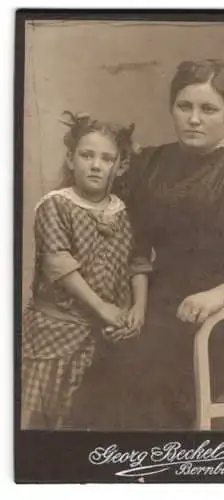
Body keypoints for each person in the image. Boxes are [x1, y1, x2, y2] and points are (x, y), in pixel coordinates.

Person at [72, 58, 224, 430]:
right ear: (172, 108)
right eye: (184, 106)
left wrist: (219, 295)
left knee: (149, 381)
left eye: (208, 109)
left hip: (223, 324)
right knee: (95, 378)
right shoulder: (148, 164)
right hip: (152, 309)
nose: (194, 119)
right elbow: (129, 241)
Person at [21, 112, 151, 430]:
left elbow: (137, 260)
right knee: (43, 419)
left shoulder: (122, 210)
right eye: (86, 155)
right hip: (58, 330)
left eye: (106, 159)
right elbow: (58, 263)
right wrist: (101, 307)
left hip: (107, 334)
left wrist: (139, 307)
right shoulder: (56, 205)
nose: (95, 165)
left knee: (94, 415)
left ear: (119, 166)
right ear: (70, 159)